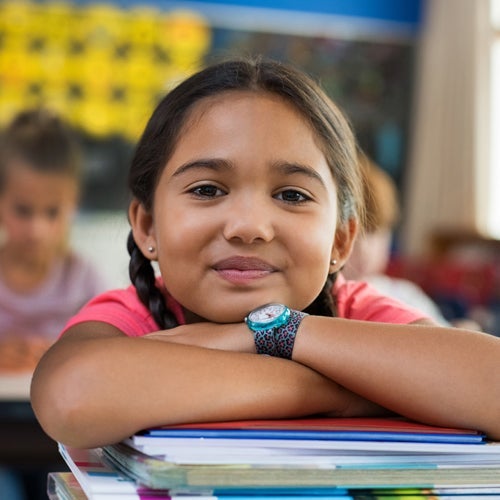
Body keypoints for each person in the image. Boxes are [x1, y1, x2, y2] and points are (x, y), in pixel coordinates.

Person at [31, 57, 500, 451]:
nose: (249, 227)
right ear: (148, 225)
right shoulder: (134, 315)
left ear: (341, 240)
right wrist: (345, 390)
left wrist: (283, 331)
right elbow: (71, 396)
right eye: (208, 189)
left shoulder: (357, 312)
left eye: (292, 195)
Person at [0, 108, 105, 372]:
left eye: (53, 212)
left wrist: (67, 355)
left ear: (73, 204)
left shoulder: (83, 280)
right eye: (23, 210)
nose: (38, 230)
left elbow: (112, 351)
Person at [342, 153, 482, 330]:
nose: (365, 249)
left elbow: (447, 334)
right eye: (354, 235)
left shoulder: (403, 293)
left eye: (375, 232)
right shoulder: (330, 304)